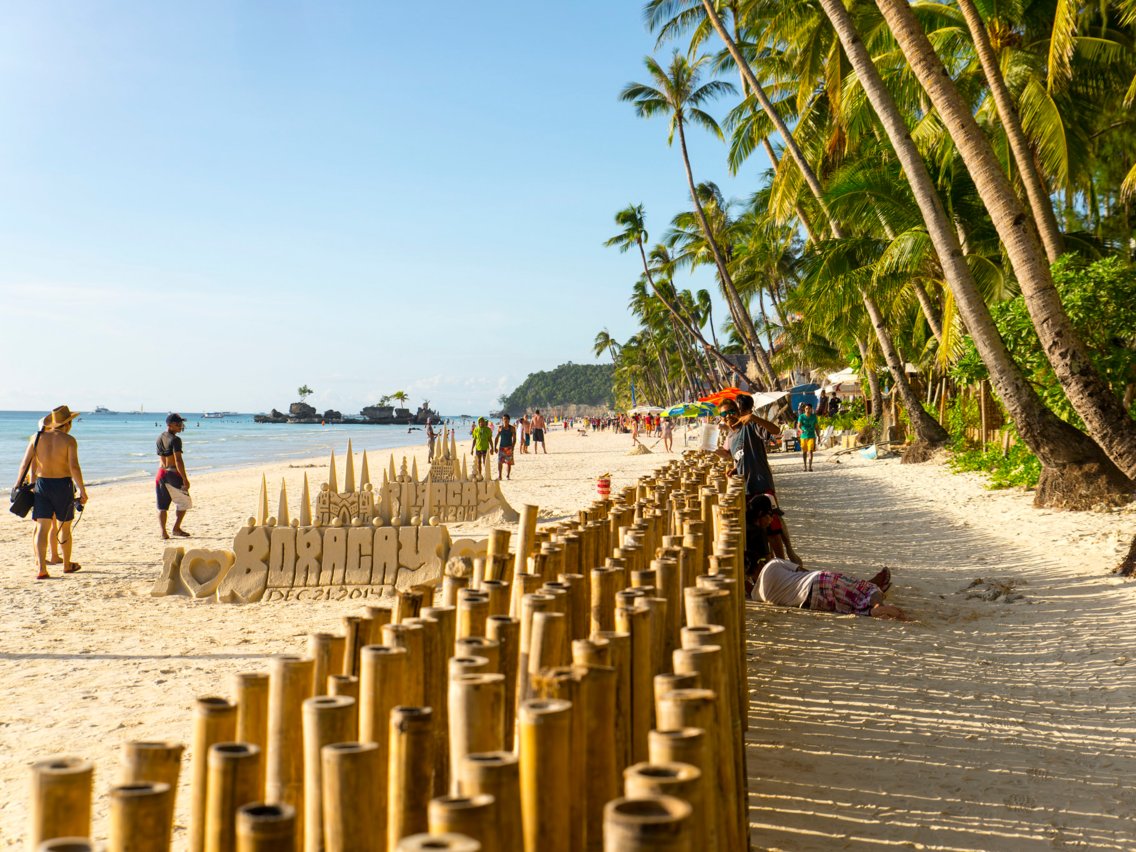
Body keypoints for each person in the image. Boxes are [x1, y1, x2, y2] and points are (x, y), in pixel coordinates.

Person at [716, 393, 803, 583]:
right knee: (758, 532)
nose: (728, 416)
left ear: (738, 411)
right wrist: (730, 466)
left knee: (773, 530)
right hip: (745, 490)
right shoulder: (731, 435)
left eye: (731, 411)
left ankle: (784, 567)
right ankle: (773, 571)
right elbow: (733, 455)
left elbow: (776, 430)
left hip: (762, 485)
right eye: (724, 414)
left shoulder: (750, 426)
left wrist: (753, 417)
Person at [13, 405, 88, 579]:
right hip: (63, 486)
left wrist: (18, 484)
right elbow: (74, 467)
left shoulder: (36, 438)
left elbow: (24, 464)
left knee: (42, 527)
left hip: (42, 485)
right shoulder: (69, 440)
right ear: (67, 423)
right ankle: (67, 565)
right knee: (65, 526)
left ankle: (41, 567)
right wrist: (82, 490)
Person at [755, 558, 906, 619]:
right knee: (866, 588)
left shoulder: (757, 595)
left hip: (811, 603)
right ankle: (878, 602)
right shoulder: (772, 564)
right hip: (816, 581)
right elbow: (803, 571)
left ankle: (872, 610)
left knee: (850, 607)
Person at [157, 413, 193, 539]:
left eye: (181, 424)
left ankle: (163, 533)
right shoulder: (175, 440)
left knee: (162, 505)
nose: (180, 426)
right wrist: (184, 478)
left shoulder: (160, 437)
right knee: (185, 502)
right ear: (169, 425)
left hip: (160, 474)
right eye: (177, 424)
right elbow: (178, 460)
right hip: (172, 473)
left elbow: (162, 457)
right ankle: (176, 528)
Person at [796, 403, 819, 471]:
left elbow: (816, 427)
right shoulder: (801, 417)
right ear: (804, 409)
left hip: (811, 436)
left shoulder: (814, 417)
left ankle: (810, 466)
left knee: (810, 451)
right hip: (803, 436)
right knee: (804, 452)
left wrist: (818, 436)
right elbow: (798, 426)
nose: (807, 410)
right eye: (806, 409)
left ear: (811, 409)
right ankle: (805, 466)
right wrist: (801, 430)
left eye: (809, 408)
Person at [494, 414, 517, 480]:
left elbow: (514, 438)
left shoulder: (512, 428)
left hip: (509, 447)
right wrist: (495, 447)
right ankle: (500, 476)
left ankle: (508, 475)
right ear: (502, 420)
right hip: (501, 447)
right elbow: (497, 438)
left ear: (509, 420)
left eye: (506, 419)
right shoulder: (500, 428)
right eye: (504, 419)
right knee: (499, 462)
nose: (505, 420)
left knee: (508, 463)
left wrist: (513, 446)